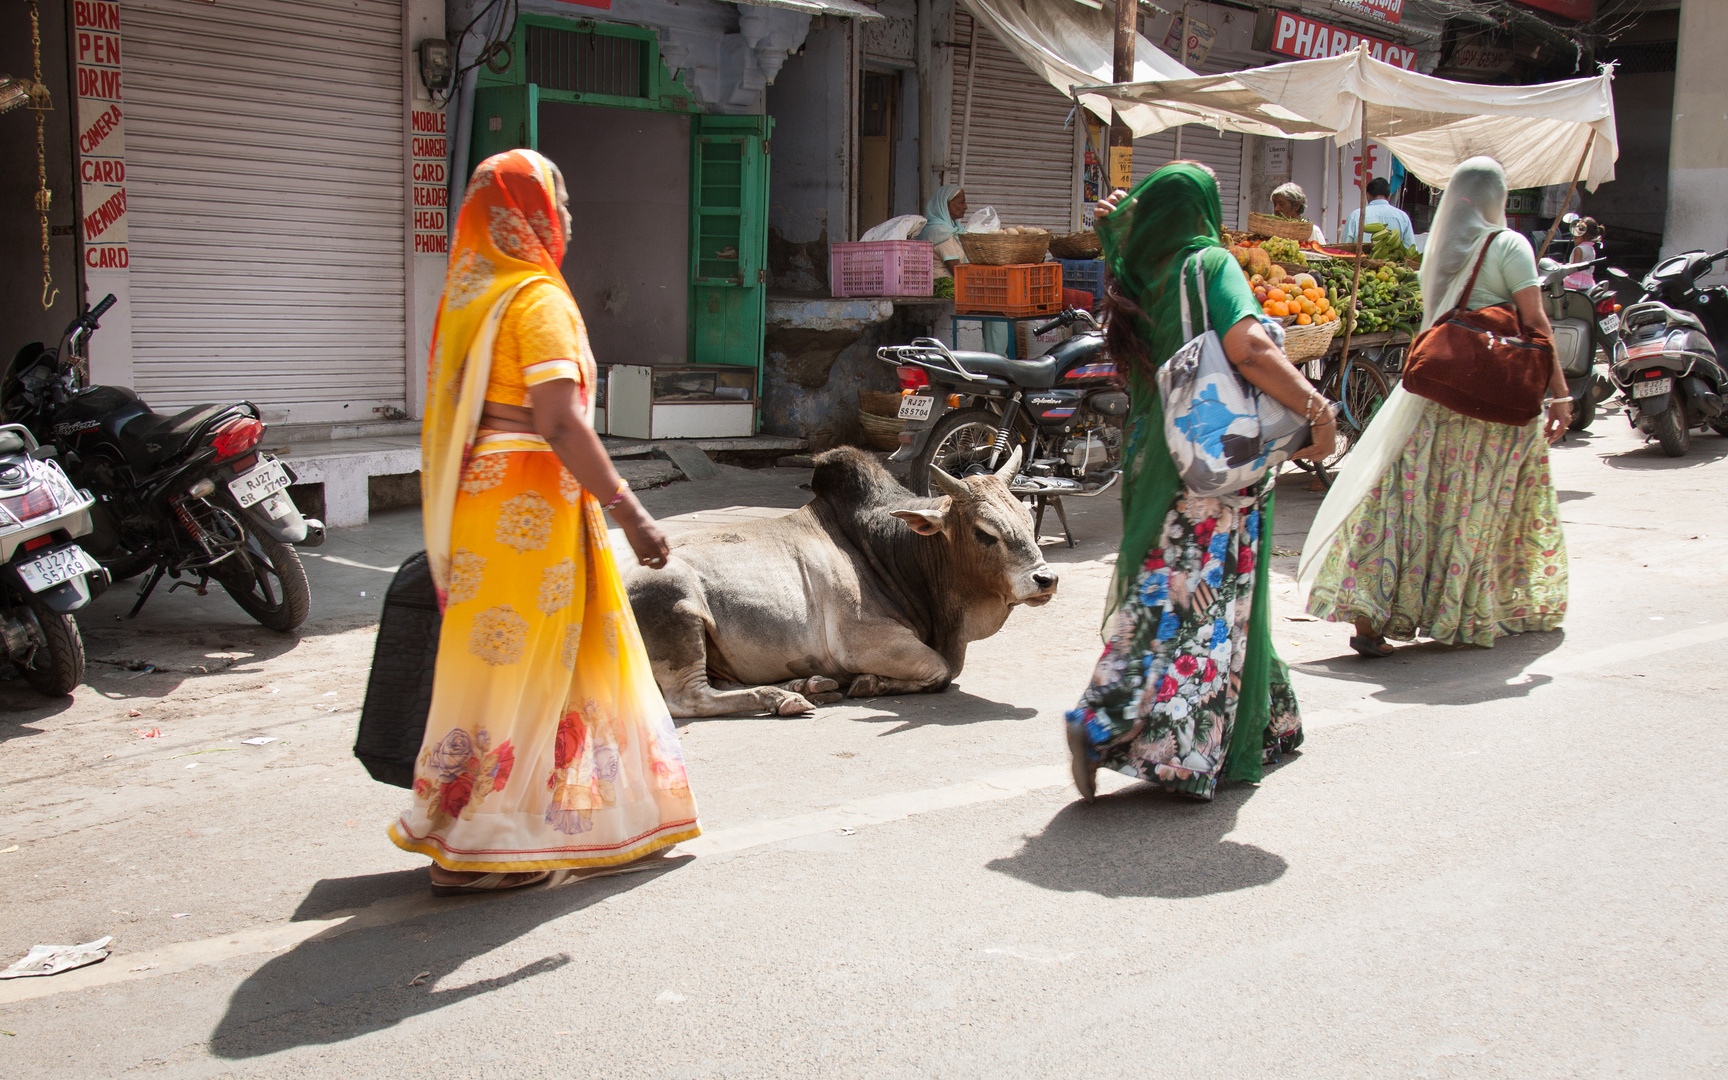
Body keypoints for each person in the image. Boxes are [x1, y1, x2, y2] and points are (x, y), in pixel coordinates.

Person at [391, 149, 700, 894]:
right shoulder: (537, 299)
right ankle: (486, 846)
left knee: (512, 669)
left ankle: (548, 823)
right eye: (558, 205)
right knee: (528, 671)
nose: (566, 219)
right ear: (530, 215)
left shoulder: (474, 297)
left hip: (484, 498)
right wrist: (630, 511)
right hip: (530, 502)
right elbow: (560, 422)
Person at [1064, 162, 1336, 803]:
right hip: (1212, 453)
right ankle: (1106, 721)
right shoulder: (1210, 263)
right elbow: (1250, 348)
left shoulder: (1138, 273)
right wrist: (1316, 410)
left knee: (1177, 585)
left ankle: (1261, 718)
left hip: (1154, 449)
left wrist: (1114, 227)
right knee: (1192, 596)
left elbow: (1117, 244)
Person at [1299, 156, 1569, 657]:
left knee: (1406, 499)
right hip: (1494, 401)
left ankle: (1368, 613)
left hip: (1436, 392)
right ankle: (1455, 611)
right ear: (1497, 197)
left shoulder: (1438, 248)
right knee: (1472, 506)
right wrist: (1560, 394)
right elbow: (1537, 325)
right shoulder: (1509, 244)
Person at [1341, 176, 1415, 247]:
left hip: (1360, 259)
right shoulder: (1403, 217)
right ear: (1389, 196)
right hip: (1393, 260)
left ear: (1368, 195)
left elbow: (1345, 247)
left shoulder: (1356, 216)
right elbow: (1410, 248)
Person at [918, 184, 969, 279]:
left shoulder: (952, 228)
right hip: (939, 289)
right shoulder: (940, 230)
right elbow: (957, 270)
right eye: (961, 202)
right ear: (947, 205)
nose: (965, 206)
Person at [1564, 215, 1603, 290]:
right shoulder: (1591, 248)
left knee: (1555, 285)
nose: (1573, 237)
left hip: (1576, 281)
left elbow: (1574, 268)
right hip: (1588, 282)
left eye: (1576, 235)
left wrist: (1563, 266)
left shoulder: (1578, 249)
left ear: (1582, 236)